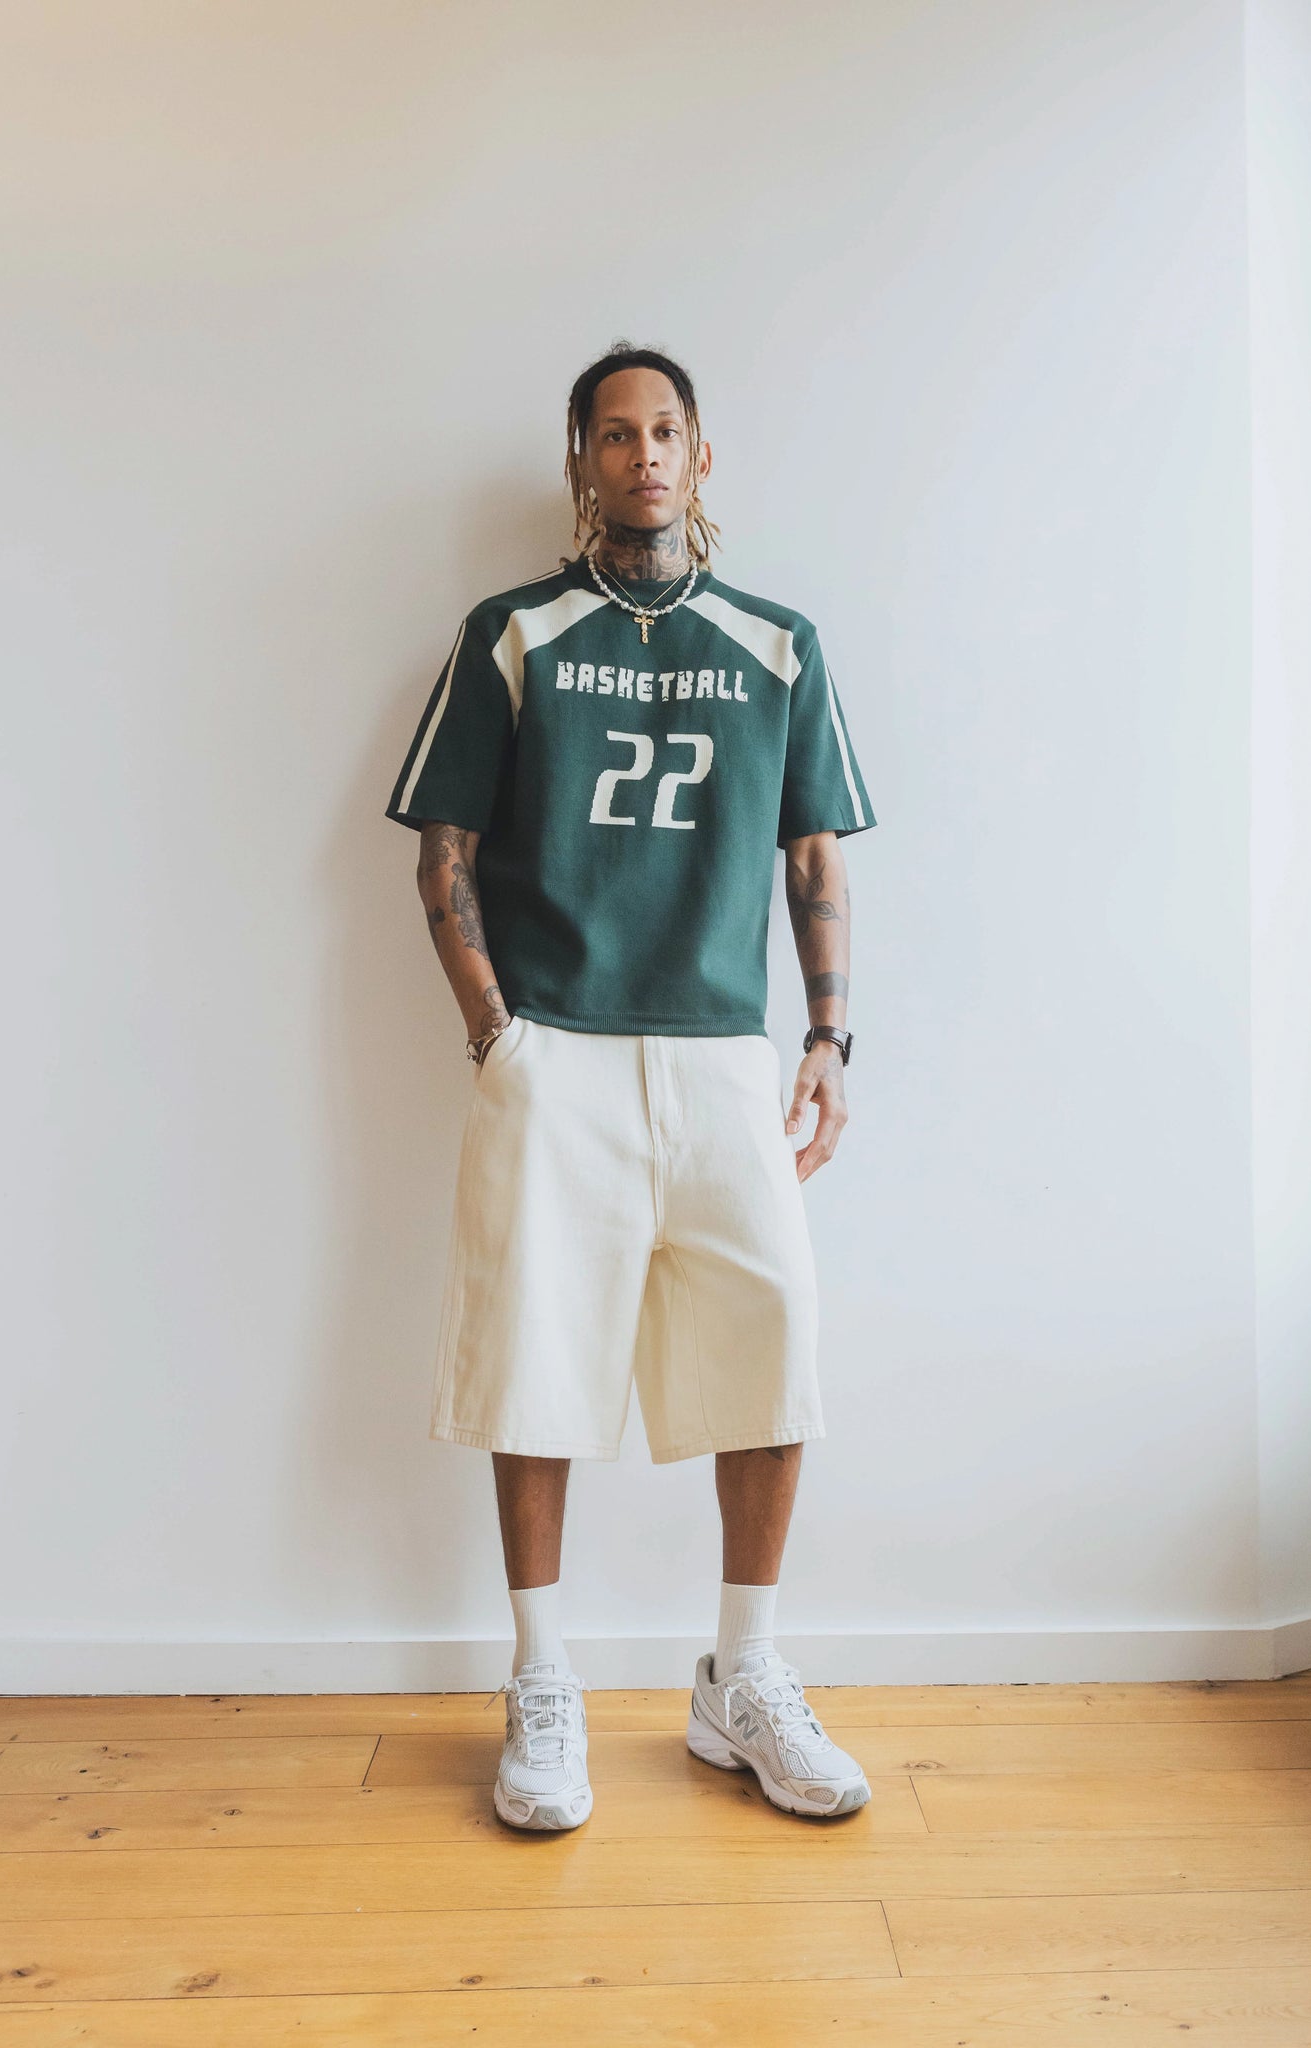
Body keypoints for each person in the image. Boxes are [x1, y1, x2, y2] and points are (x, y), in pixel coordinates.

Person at [386, 341, 878, 1831]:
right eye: (615, 433)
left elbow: (812, 852)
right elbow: (443, 852)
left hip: (724, 1050)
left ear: (700, 455)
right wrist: (498, 1038)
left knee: (771, 1346)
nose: (643, 454)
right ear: (581, 460)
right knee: (534, 1357)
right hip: (559, 1049)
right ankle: (542, 1678)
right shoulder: (513, 632)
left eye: (666, 430)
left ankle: (742, 1674)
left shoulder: (778, 644)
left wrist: (828, 1039)